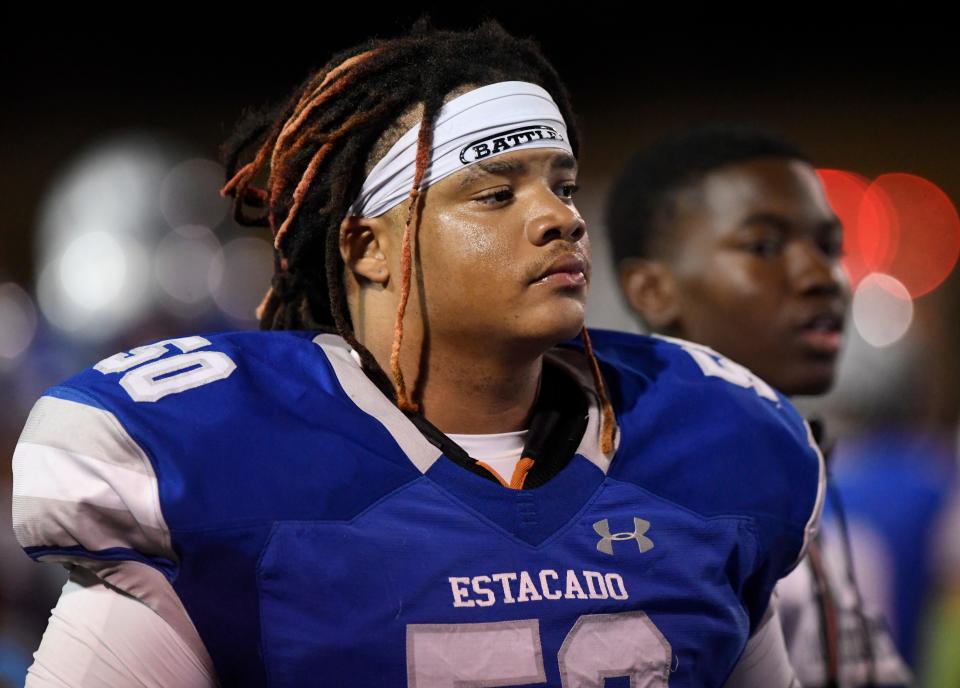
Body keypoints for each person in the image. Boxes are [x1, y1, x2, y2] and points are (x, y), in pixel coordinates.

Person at [13, 22, 823, 687]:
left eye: (563, 186)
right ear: (370, 247)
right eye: (497, 193)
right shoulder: (222, 459)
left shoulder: (707, 434)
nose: (560, 219)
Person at [606, 123, 914, 687]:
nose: (823, 277)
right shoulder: (644, 508)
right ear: (652, 290)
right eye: (764, 247)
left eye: (829, 247)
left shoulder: (784, 470)